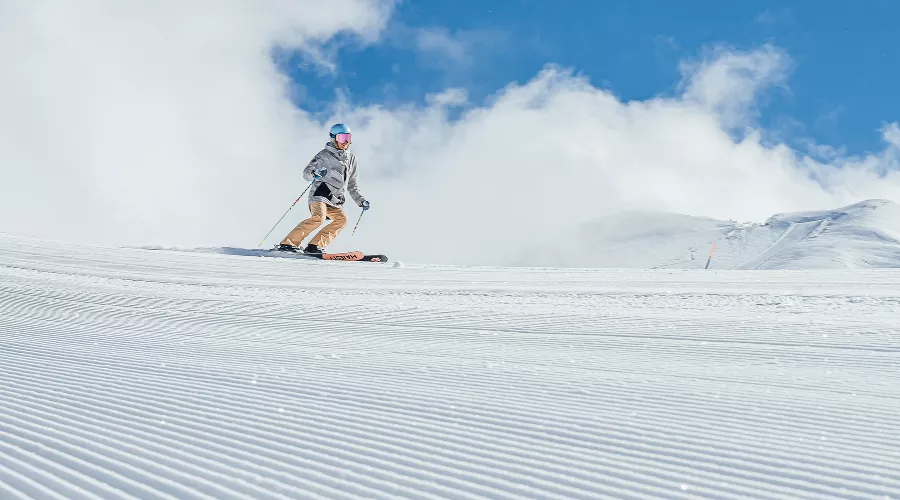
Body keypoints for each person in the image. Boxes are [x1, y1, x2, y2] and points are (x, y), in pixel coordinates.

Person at [277, 123, 370, 254]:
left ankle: (315, 245)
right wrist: (314, 173)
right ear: (333, 139)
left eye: (348, 138)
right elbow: (306, 172)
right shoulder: (324, 155)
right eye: (342, 139)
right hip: (320, 194)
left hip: (335, 199)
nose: (345, 142)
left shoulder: (352, 159)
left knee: (342, 219)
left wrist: (361, 200)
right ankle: (288, 243)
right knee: (318, 218)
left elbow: (352, 184)